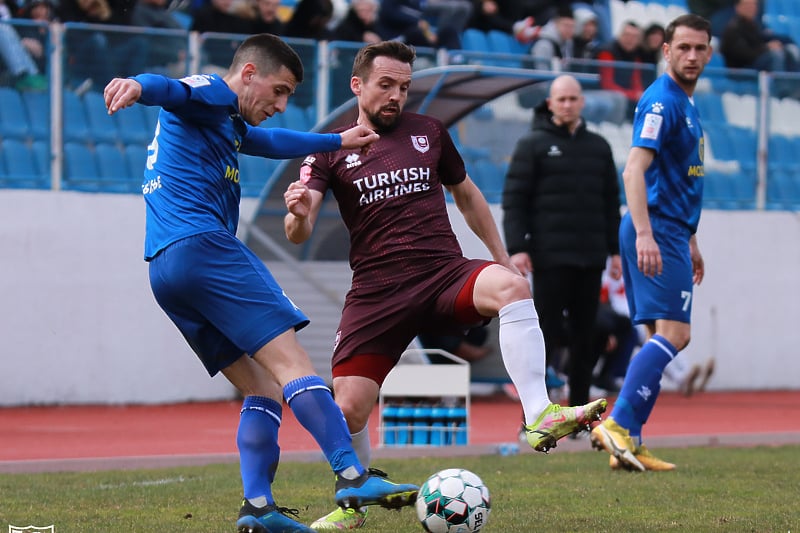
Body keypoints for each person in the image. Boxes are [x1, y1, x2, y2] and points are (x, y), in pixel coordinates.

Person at [283, 40, 608, 530]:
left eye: (404, 87)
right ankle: (354, 505)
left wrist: (503, 260)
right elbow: (298, 229)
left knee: (513, 290)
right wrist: (299, 212)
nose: (396, 95)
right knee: (347, 408)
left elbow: (468, 195)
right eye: (386, 85)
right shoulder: (329, 148)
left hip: (441, 273)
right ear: (358, 86)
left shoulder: (429, 132)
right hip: (377, 292)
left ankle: (539, 415)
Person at [102, 33, 418, 532]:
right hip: (205, 248)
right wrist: (137, 85)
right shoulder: (214, 92)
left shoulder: (222, 120)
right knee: (292, 363)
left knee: (263, 388)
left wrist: (335, 141)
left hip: (165, 268)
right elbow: (174, 89)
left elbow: (268, 143)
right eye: (279, 91)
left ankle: (258, 509)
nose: (281, 104)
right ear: (249, 74)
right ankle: (352, 474)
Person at [589, 14, 714, 472]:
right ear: (666, 50)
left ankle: (630, 443)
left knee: (655, 339)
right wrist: (647, 233)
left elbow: (680, 179)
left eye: (700, 48)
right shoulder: (662, 101)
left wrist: (692, 239)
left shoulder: (686, 101)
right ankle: (619, 424)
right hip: (655, 229)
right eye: (683, 47)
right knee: (676, 335)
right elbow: (633, 170)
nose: (692, 56)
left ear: (710, 52)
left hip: (671, 229)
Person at [502, 74, 621, 410]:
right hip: (549, 257)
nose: (568, 104)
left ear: (582, 102)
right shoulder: (532, 145)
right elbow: (515, 201)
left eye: (573, 99)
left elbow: (611, 203)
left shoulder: (599, 147)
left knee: (587, 337)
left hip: (591, 256)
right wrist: (518, 248)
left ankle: (580, 413)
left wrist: (615, 251)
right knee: (546, 336)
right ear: (551, 103)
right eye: (561, 99)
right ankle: (535, 416)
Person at [719, 0, 800, 78]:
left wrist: (782, 43)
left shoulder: (755, 25)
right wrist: (767, 48)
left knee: (789, 50)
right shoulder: (733, 28)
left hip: (757, 60)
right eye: (748, 5)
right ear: (738, 7)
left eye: (754, 4)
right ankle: (780, 88)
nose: (752, 8)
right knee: (776, 55)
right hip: (742, 67)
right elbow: (743, 54)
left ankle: (795, 86)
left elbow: (765, 38)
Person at [594, 20, 648, 120]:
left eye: (634, 37)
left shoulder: (636, 56)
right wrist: (632, 95)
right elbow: (607, 84)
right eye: (627, 35)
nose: (630, 39)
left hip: (625, 96)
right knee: (619, 100)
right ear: (620, 35)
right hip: (604, 94)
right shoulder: (607, 52)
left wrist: (641, 94)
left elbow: (636, 82)